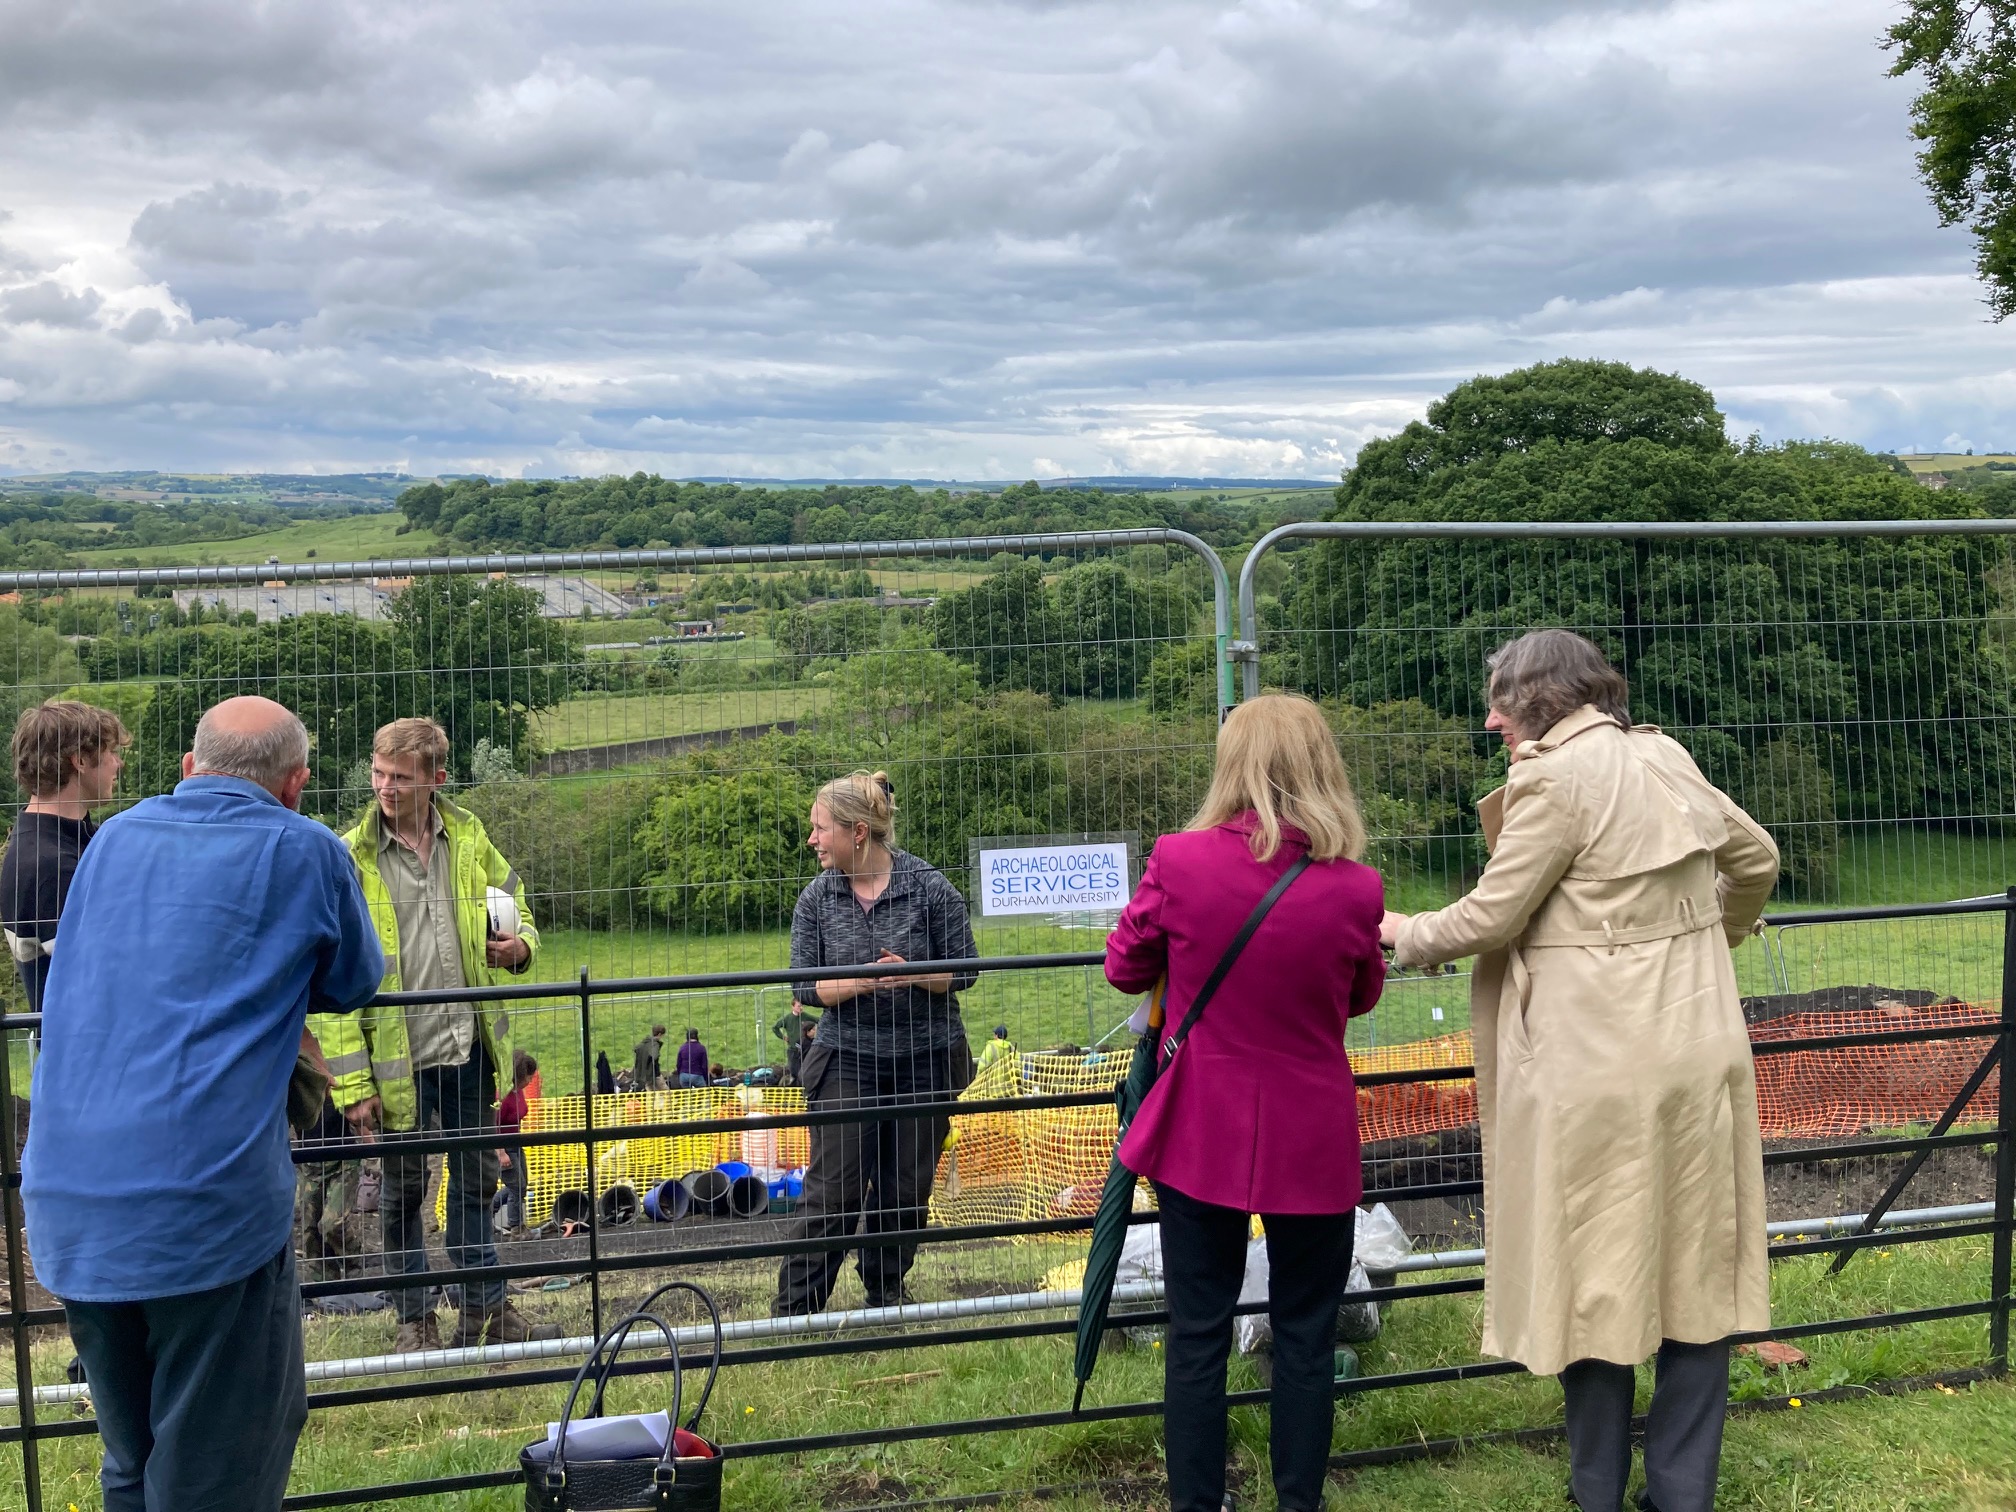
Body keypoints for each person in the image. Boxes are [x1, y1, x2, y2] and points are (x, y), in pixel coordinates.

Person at [1379, 631, 1780, 1512]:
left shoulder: (1554, 781)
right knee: (1695, 1269)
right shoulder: (1663, 754)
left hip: (1598, 1068)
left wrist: (1402, 930)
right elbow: (1755, 860)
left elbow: (1490, 916)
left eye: (1503, 704)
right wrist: (1715, 934)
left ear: (1544, 702)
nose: (1491, 721)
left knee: (1597, 1269)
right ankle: (1682, 1493)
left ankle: (1596, 1489)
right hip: (1699, 1054)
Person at [22, 696, 383, 1512]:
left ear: (190, 770)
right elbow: (355, 977)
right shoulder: (307, 850)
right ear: (295, 786)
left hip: (71, 1208)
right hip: (204, 1210)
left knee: (134, 1460)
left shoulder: (112, 839)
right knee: (215, 1473)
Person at [1104, 694, 1385, 1512]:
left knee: (1196, 1331)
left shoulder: (1180, 860)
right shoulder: (1356, 886)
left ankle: (1198, 1504)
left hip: (1202, 1127)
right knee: (1304, 1332)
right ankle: (1298, 1501)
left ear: (1234, 765)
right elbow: (1361, 995)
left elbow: (1125, 967)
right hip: (1311, 1132)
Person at [307, 716, 557, 1353]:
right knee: (403, 1192)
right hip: (396, 1060)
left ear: (436, 779)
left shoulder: (469, 839)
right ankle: (414, 1320)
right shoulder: (346, 856)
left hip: (468, 1045)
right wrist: (354, 1083)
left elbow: (519, 905)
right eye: (378, 773)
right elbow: (328, 979)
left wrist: (520, 946)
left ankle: (484, 1311)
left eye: (400, 777)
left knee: (477, 1181)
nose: (385, 788)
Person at [772, 771, 978, 1315]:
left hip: (925, 1057)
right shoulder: (817, 899)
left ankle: (885, 1294)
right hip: (846, 1059)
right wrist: (861, 979)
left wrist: (915, 974)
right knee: (832, 1192)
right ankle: (796, 1309)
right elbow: (803, 986)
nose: (812, 839)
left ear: (857, 832)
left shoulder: (929, 887)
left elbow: (966, 971)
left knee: (906, 1190)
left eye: (820, 829)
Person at [0, 699, 130, 1021]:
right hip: (86, 1056)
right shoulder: (47, 864)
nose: (118, 764)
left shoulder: (72, 839)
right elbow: (105, 979)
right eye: (112, 753)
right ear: (81, 760)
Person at [494, 1050, 537, 1234]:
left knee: (520, 1185)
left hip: (516, 1143)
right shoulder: (501, 1097)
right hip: (504, 1147)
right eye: (528, 1077)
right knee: (516, 1187)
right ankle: (516, 1228)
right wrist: (501, 1152)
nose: (530, 1081)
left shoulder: (518, 1092)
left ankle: (488, 1209)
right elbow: (493, 1127)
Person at [771, 1002, 818, 1084]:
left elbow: (818, 1020)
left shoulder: (805, 1016)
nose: (801, 1008)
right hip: (793, 1049)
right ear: (792, 1007)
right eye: (799, 1006)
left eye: (802, 1006)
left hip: (805, 1049)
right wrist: (783, 1037)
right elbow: (775, 1028)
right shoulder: (787, 1018)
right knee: (794, 1071)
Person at [633, 1023, 667, 1090]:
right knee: (666, 1091)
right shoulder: (654, 1044)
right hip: (654, 1073)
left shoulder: (644, 1042)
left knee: (650, 1092)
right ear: (660, 1034)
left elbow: (636, 1049)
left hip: (644, 1074)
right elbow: (655, 1055)